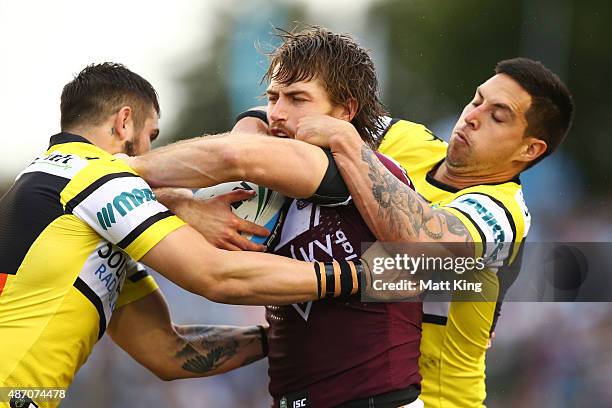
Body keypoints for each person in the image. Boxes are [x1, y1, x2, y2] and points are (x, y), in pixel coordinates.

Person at [0, 63, 368, 408]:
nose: (150, 153)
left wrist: (281, 339)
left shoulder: (49, 184)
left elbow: (166, 351)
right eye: (151, 136)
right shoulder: (95, 177)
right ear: (124, 123)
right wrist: (363, 275)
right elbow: (215, 275)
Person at [130, 27, 424, 408]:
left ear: (345, 111)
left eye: (298, 98)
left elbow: (236, 155)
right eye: (273, 97)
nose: (279, 112)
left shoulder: (351, 170)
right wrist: (184, 204)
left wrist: (118, 168)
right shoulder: (278, 190)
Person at [294, 57, 574, 407]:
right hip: (355, 390)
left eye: (497, 116)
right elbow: (290, 112)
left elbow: (420, 247)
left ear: (529, 149)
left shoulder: (502, 212)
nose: (472, 116)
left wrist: (348, 144)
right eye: (476, 100)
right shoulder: (403, 139)